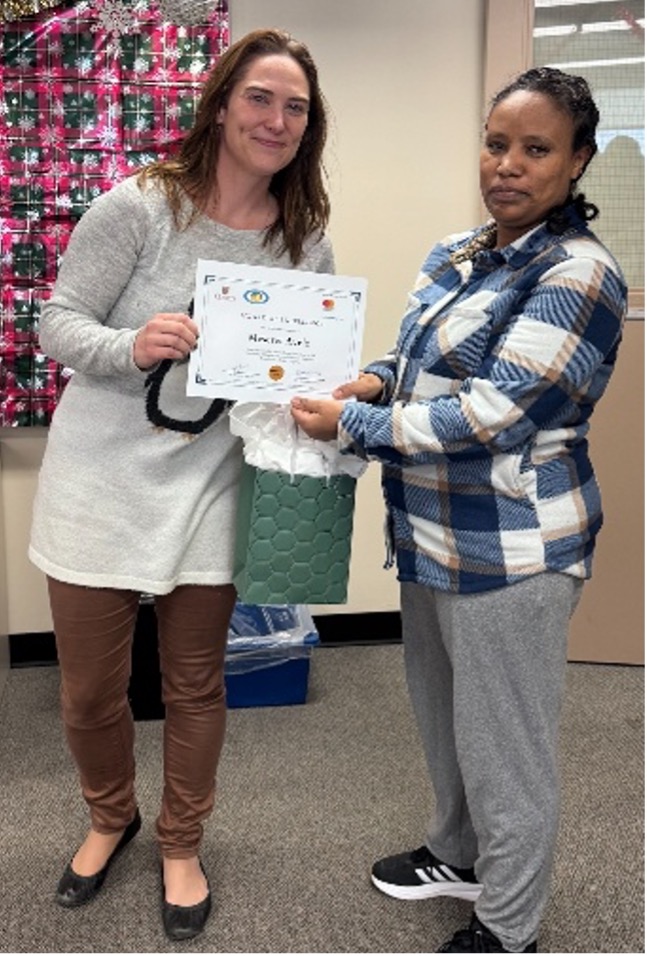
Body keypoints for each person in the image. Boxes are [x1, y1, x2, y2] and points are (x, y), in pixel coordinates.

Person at [290, 67, 626, 953]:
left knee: (506, 746)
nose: (506, 165)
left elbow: (495, 415)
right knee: (445, 723)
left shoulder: (580, 275)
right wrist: (370, 382)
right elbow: (413, 363)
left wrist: (353, 422)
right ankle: (457, 853)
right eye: (494, 143)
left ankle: (509, 925)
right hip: (430, 534)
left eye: (535, 149)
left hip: (514, 551)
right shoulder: (459, 251)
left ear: (576, 160)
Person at [29, 28, 334, 942]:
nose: (276, 120)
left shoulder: (302, 238)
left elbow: (302, 364)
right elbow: (57, 322)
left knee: (195, 685)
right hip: (99, 479)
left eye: (295, 107)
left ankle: (181, 841)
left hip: (212, 481)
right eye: (260, 98)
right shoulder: (139, 207)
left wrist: (323, 396)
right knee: (90, 692)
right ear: (221, 103)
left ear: (308, 126)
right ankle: (109, 816)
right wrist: (132, 345)